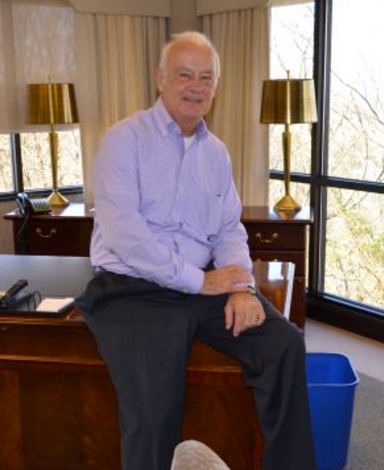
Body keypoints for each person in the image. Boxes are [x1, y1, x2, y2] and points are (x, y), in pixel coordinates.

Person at [76, 31, 316, 470]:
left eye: (206, 77)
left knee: (284, 345)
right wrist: (201, 281)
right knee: (154, 412)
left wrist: (241, 287)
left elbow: (228, 229)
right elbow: (126, 236)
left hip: (203, 286)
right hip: (133, 289)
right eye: (184, 75)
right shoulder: (123, 140)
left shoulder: (217, 153)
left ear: (216, 86)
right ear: (160, 78)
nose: (196, 86)